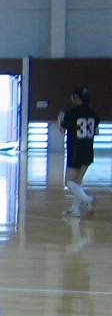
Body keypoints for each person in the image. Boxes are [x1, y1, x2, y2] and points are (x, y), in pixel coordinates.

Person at [60, 86, 100, 217]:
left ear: (76, 97)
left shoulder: (71, 112)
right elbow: (96, 132)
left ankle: (88, 199)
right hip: (88, 150)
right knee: (78, 181)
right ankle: (75, 209)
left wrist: (60, 119)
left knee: (69, 182)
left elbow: (62, 130)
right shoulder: (94, 114)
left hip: (75, 150)